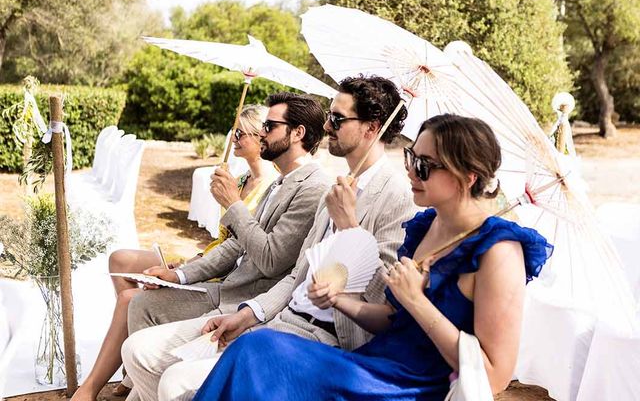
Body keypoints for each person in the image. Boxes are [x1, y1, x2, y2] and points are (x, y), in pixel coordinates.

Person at [193, 114, 552, 401]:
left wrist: (418, 302)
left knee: (262, 354)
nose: (410, 171)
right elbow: (392, 320)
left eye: (425, 166)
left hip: (413, 388)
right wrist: (340, 300)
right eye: (411, 157)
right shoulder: (425, 227)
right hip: (372, 365)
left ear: (468, 177)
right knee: (256, 348)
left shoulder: (500, 253)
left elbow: (492, 375)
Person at [122, 75, 418, 401]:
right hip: (278, 317)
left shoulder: (396, 199)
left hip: (325, 339)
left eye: (337, 118)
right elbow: (297, 275)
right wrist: (247, 314)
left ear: (371, 127)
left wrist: (349, 226)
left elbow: (379, 299)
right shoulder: (337, 187)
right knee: (138, 351)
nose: (328, 126)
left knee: (176, 382)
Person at [70, 105, 279, 401]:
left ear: (261, 138)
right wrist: (187, 264)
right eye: (234, 132)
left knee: (132, 299)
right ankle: (128, 372)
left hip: (225, 277)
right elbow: (224, 241)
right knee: (121, 261)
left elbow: (243, 248)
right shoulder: (242, 180)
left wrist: (189, 269)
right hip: (208, 257)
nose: (234, 139)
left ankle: (100, 384)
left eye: (241, 133)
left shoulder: (270, 187)